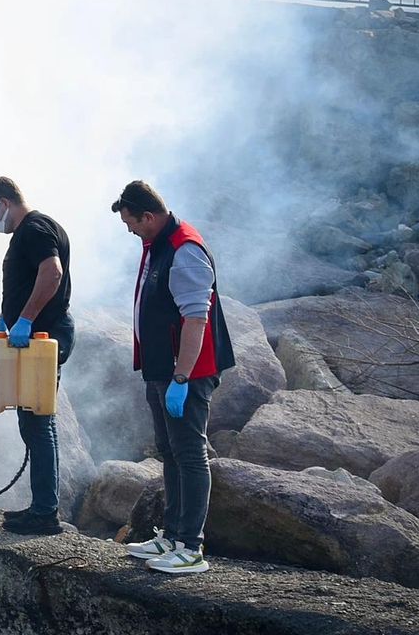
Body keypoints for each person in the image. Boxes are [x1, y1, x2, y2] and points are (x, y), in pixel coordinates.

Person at [112, 181, 235, 574]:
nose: (130, 230)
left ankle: (191, 546)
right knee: (169, 451)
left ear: (149, 216)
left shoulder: (185, 249)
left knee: (190, 453)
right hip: (161, 369)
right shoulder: (157, 244)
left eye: (131, 223)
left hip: (186, 374)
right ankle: (172, 533)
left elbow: (196, 319)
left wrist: (182, 378)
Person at [0, 176, 74, 536]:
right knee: (32, 419)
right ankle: (41, 507)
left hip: (42, 335)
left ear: (5, 202)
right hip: (32, 335)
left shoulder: (34, 228)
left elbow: (52, 273)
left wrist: (26, 319)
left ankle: (46, 512)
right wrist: (8, 316)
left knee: (38, 420)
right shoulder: (33, 230)